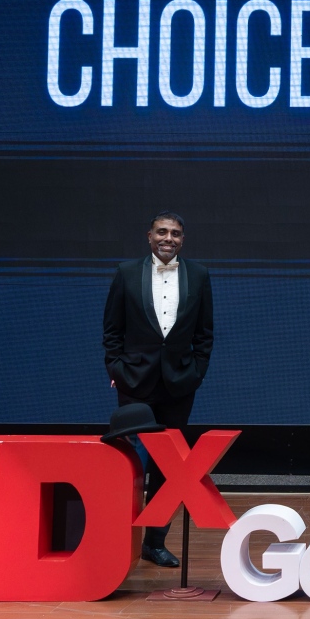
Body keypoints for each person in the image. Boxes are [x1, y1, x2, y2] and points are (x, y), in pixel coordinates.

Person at [101, 211, 214, 567]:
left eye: (175, 233)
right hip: (135, 381)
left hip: (179, 384)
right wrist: (116, 368)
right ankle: (117, 540)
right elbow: (112, 330)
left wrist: (196, 373)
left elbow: (204, 334)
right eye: (162, 231)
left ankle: (154, 542)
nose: (169, 238)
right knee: (130, 463)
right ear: (149, 236)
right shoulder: (126, 272)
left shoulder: (199, 274)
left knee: (170, 467)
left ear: (183, 240)